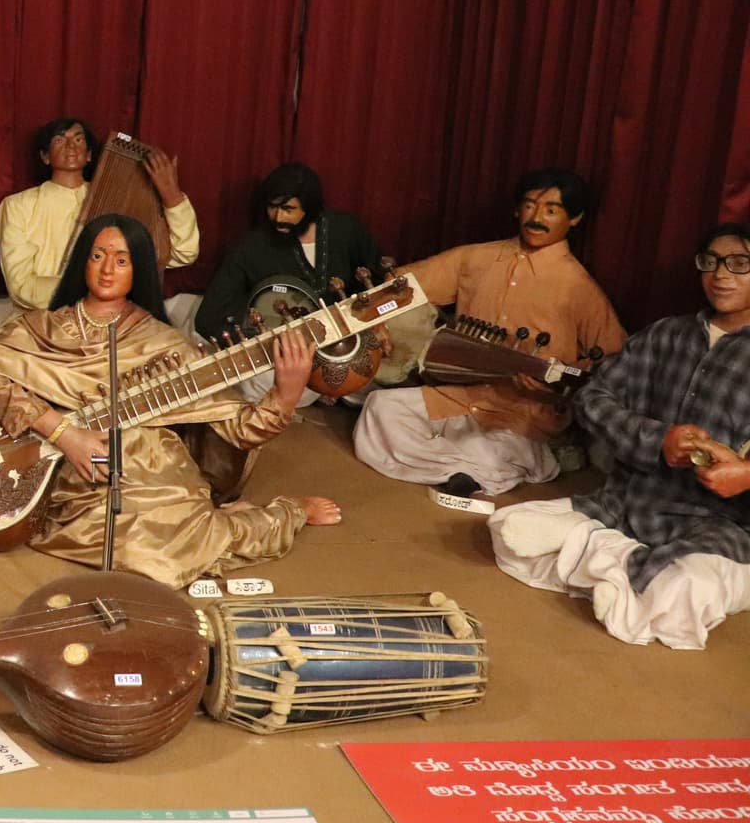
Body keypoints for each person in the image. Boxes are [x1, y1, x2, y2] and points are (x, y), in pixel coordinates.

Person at [0, 213, 339, 585]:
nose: (107, 269)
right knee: (131, 543)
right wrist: (62, 433)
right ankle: (213, 519)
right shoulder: (38, 326)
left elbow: (238, 430)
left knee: (161, 547)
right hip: (67, 467)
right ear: (82, 260)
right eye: (98, 255)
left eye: (122, 260)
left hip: (150, 466)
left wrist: (285, 395)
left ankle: (280, 513)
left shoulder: (165, 342)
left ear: (140, 270)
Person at [489, 224, 750, 649]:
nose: (722, 275)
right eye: (711, 262)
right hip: (628, 503)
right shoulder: (666, 334)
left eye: (740, 264)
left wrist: (745, 474)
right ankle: (623, 565)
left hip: (719, 527)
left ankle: (605, 562)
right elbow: (593, 397)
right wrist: (655, 439)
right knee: (509, 529)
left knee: (687, 591)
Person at [353, 168, 626, 498]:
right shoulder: (475, 259)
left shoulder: (578, 288)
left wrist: (557, 386)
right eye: (529, 205)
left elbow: (616, 359)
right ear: (516, 209)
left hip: (521, 415)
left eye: (551, 210)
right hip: (459, 395)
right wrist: (377, 320)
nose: (536, 217)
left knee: (491, 449)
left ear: (575, 219)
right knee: (379, 408)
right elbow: (401, 285)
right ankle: (466, 470)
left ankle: (469, 463)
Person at [0, 117, 199, 311]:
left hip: (109, 324)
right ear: (45, 156)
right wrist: (97, 290)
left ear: (90, 154)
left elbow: (183, 253)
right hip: (41, 324)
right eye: (59, 140)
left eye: (78, 139)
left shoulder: (117, 201)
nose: (71, 146)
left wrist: (173, 198)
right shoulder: (18, 206)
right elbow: (21, 285)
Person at [195, 162, 387, 340]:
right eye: (272, 207)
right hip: (288, 353)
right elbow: (207, 320)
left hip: (351, 336)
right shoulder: (252, 248)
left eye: (288, 209)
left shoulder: (346, 230)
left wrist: (377, 323)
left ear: (310, 209)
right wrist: (264, 346)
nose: (278, 217)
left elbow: (381, 283)